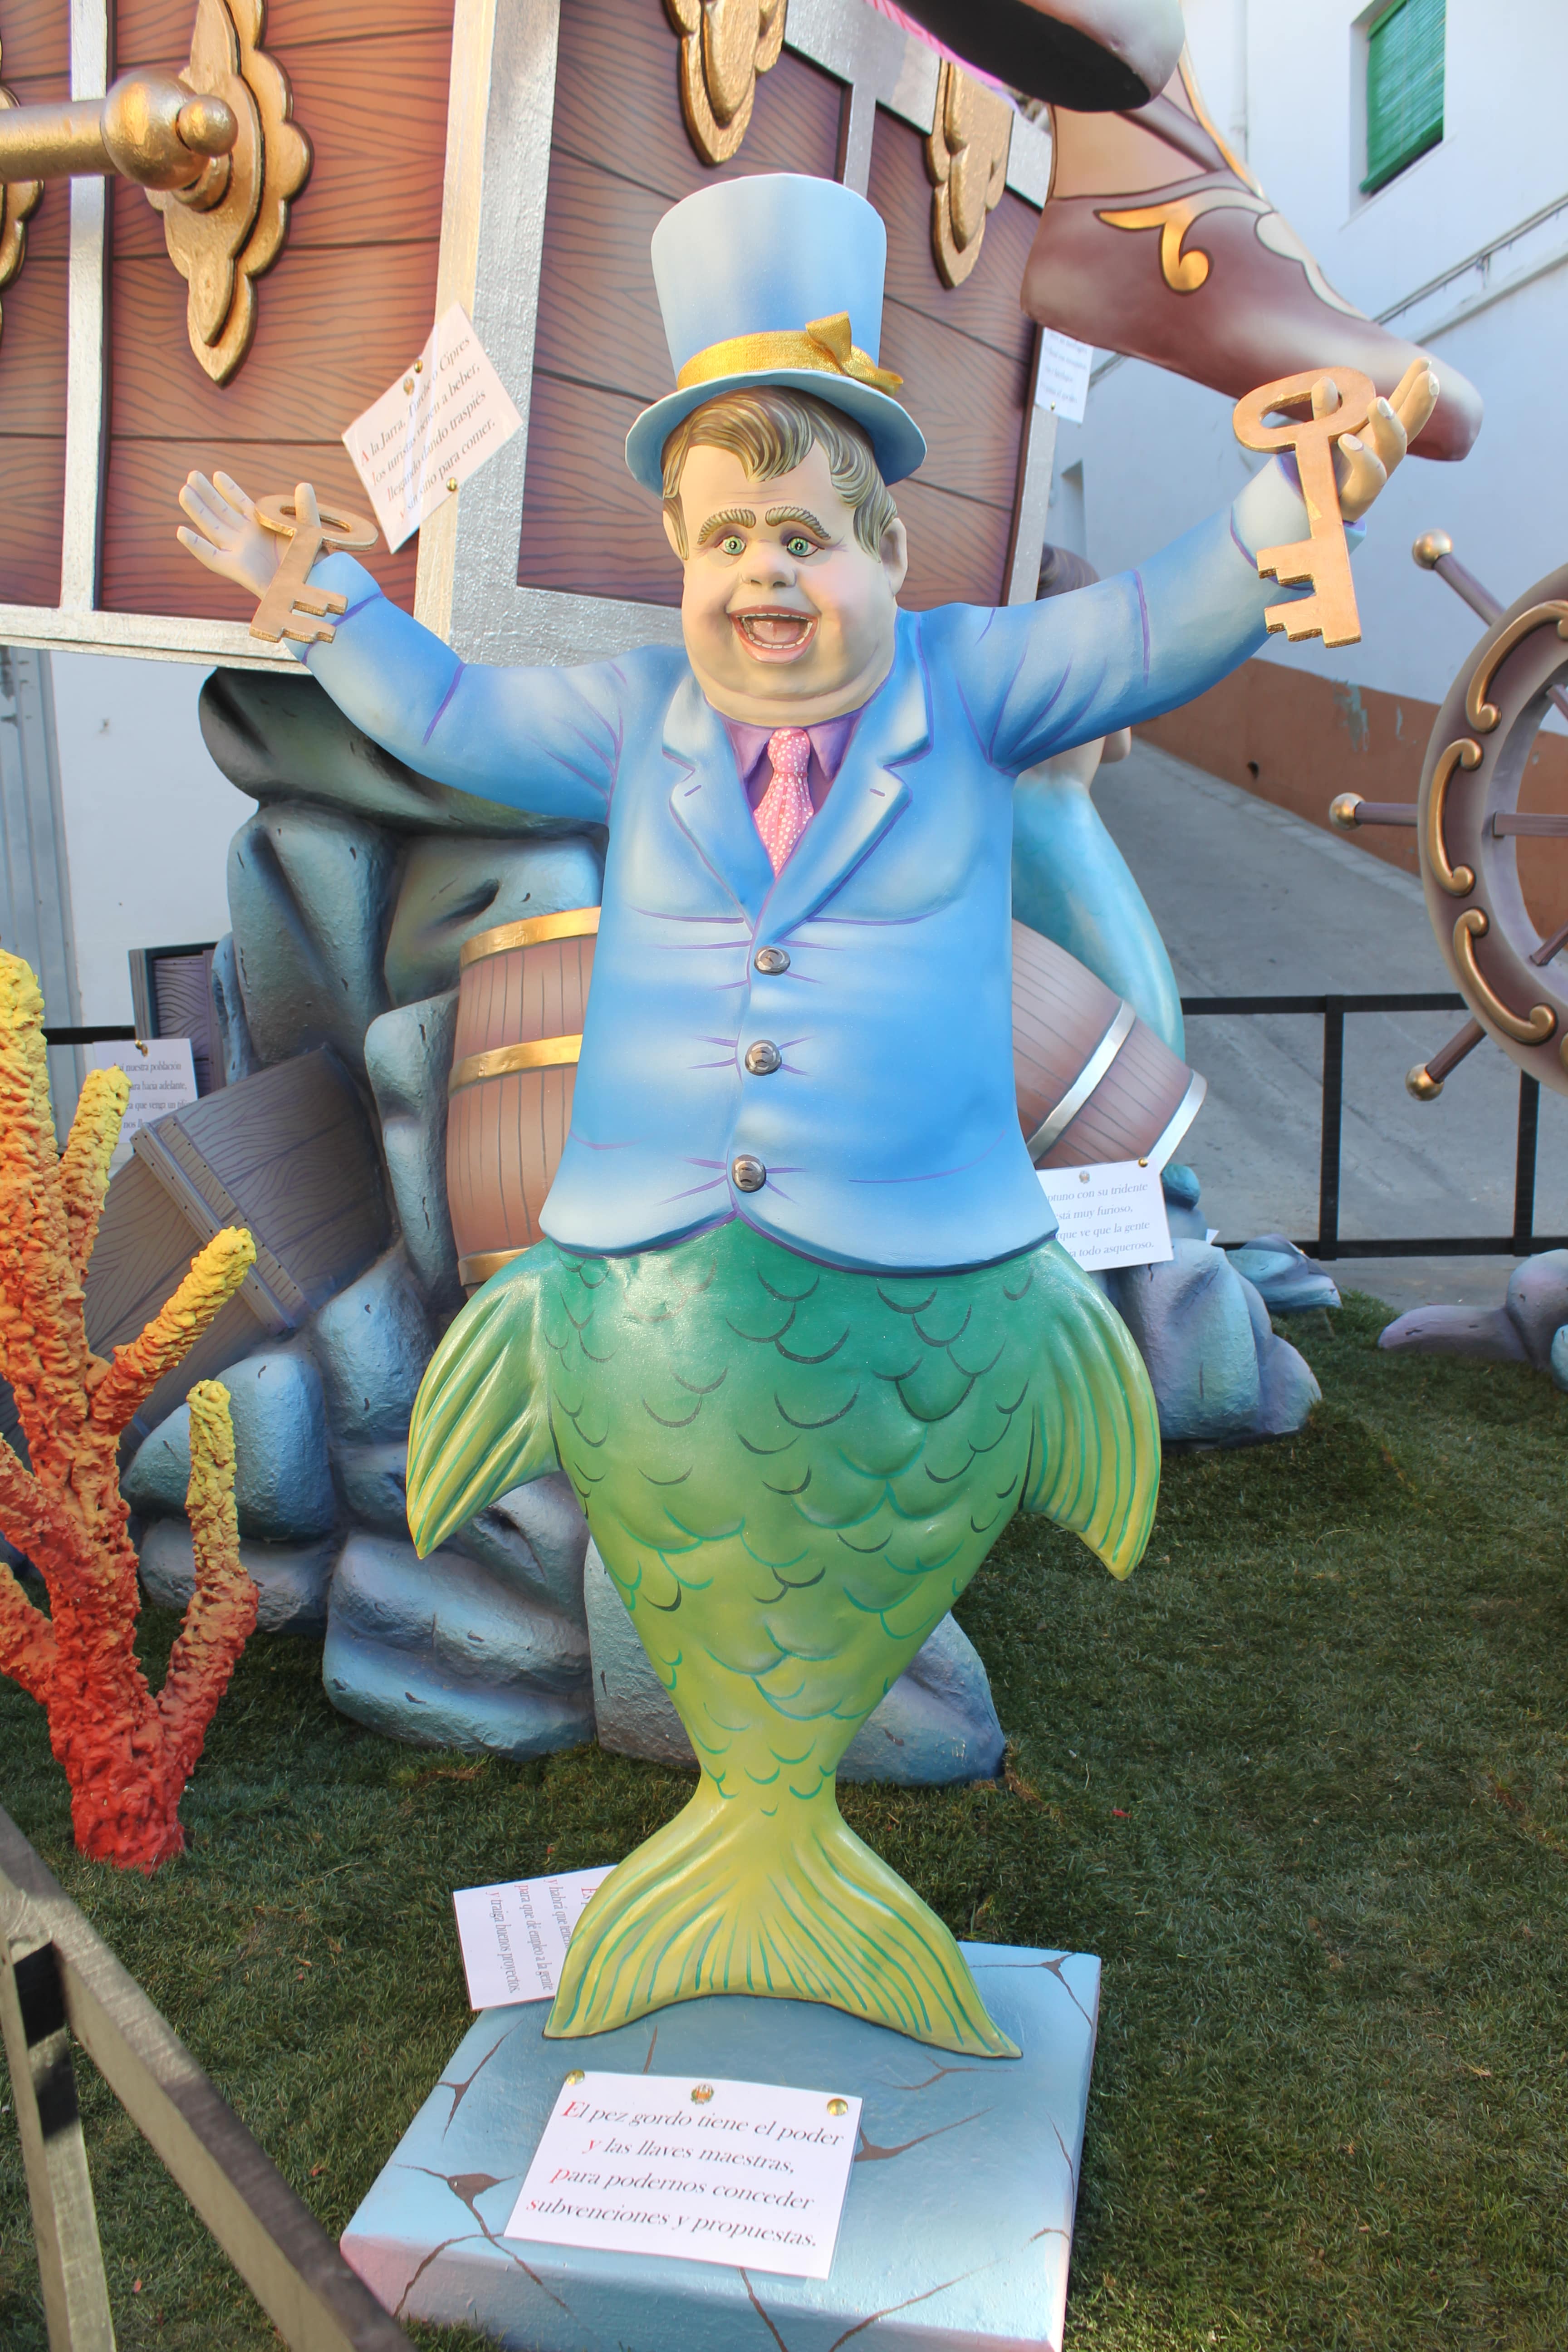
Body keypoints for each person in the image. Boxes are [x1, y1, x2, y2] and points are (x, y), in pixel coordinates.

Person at [176, 173, 1431, 2056]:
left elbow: (1157, 623)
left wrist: (1293, 504)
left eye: (803, 538)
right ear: (674, 558)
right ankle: (740, 1840)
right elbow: (447, 720)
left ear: (888, 551)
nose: (762, 577)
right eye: (723, 541)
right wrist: (329, 602)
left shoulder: (980, 686)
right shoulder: (630, 716)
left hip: (934, 1288)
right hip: (634, 1290)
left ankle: (798, 1839)